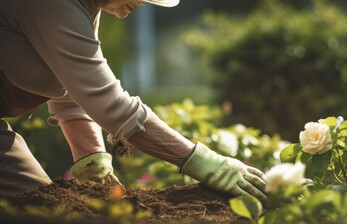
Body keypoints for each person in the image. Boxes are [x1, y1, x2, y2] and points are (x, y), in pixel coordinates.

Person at [0, 0, 267, 201]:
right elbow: (113, 106)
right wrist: (209, 165)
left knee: (40, 205)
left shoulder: (83, 6)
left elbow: (73, 92)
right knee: (35, 211)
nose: (140, 5)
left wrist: (93, 163)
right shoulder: (52, 5)